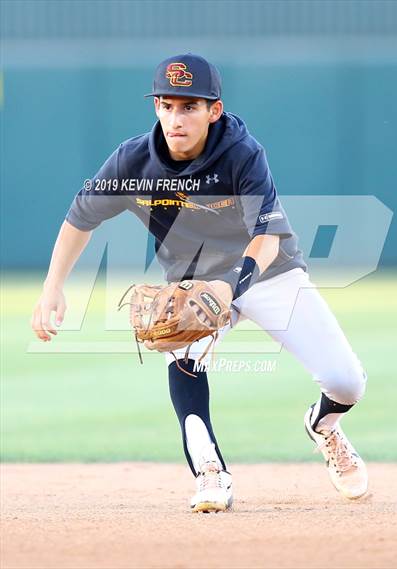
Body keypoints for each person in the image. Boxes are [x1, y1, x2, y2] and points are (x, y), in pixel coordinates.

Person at [31, 53, 368, 513]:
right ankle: (210, 472)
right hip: (191, 283)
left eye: (189, 106)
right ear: (155, 109)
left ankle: (323, 426)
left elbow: (266, 238)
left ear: (215, 110)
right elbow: (79, 218)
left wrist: (230, 286)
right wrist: (53, 286)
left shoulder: (241, 152)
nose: (176, 118)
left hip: (270, 273)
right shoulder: (132, 161)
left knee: (346, 382)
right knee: (184, 352)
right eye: (166, 105)